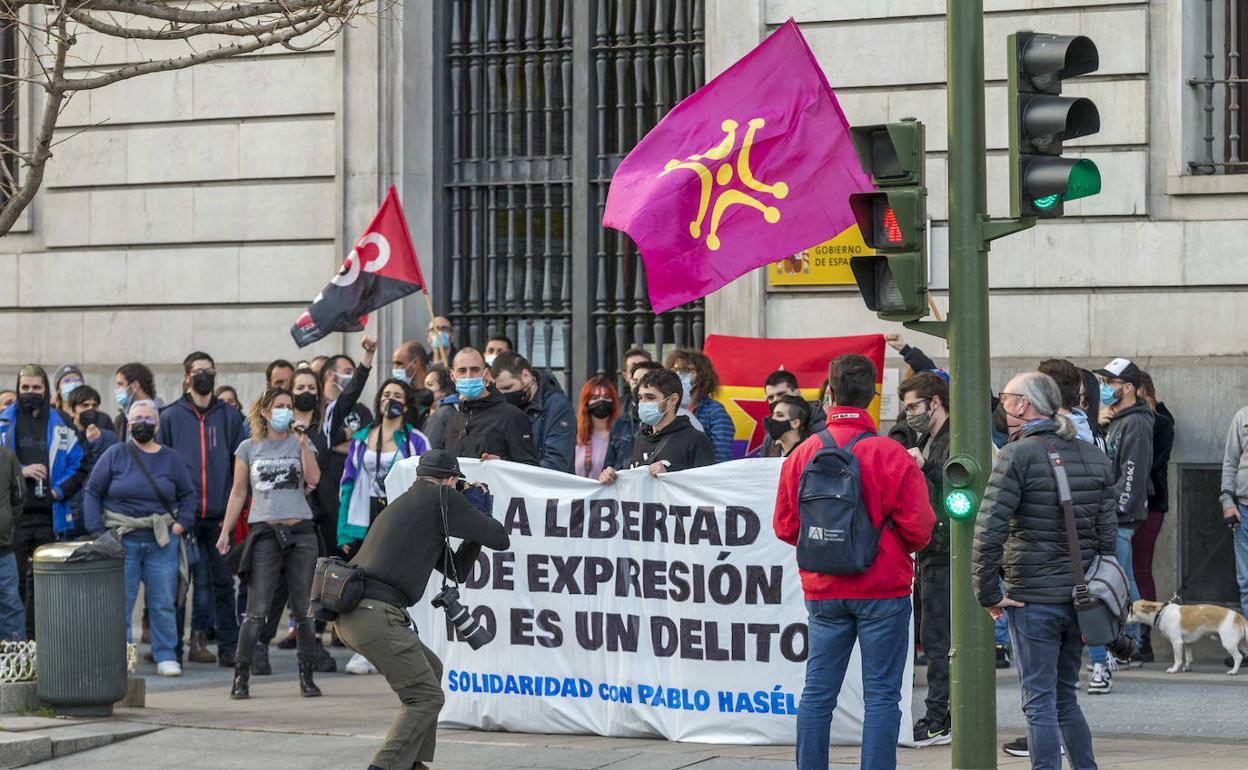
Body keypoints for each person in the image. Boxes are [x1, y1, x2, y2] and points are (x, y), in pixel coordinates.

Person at [773, 354, 934, 770]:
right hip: (884, 590)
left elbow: (786, 526)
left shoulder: (802, 453)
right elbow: (919, 529)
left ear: (829, 394)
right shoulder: (892, 453)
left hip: (824, 591)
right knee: (881, 696)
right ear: (872, 398)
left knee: (817, 693)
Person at [974, 371, 1116, 770]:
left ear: (1025, 404)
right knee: (1064, 696)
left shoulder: (1017, 455)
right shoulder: (1094, 456)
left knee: (1039, 703)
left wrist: (987, 591)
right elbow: (1107, 542)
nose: (1002, 404)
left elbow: (989, 528)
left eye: (1006, 397)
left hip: (1032, 596)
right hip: (1081, 597)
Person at [333, 450, 509, 770]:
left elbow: (458, 572)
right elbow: (500, 537)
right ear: (453, 481)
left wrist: (474, 524)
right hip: (375, 613)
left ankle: (414, 763)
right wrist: (477, 506)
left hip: (355, 614)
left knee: (432, 670)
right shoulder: (441, 497)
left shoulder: (412, 503)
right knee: (426, 697)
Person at [216, 387, 322, 700]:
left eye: (289, 406)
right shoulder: (248, 448)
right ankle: (241, 675)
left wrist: (303, 444)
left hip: (301, 530)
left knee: (305, 609)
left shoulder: (301, 441)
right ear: (264, 412)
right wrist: (226, 531)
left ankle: (307, 676)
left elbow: (314, 478)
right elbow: (238, 493)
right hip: (265, 531)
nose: (285, 411)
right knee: (256, 609)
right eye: (279, 406)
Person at [85, 400, 197, 677]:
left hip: (162, 539)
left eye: (148, 418)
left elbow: (188, 494)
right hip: (122, 539)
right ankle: (120, 655)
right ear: (129, 423)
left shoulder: (171, 458)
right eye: (137, 419)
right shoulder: (115, 453)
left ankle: (166, 654)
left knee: (163, 602)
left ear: (157, 425)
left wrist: (182, 524)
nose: (143, 423)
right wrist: (99, 532)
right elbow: (92, 491)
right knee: (120, 602)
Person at [336, 379, 431, 675]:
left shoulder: (415, 439)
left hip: (401, 519)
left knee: (398, 584)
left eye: (397, 395)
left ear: (406, 403)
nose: (390, 399)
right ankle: (366, 651)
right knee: (364, 585)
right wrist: (345, 530)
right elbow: (348, 484)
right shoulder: (362, 438)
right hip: (368, 517)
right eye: (386, 394)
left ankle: (407, 646)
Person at [160, 352, 246, 668]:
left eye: (209, 370)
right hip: (183, 516)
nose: (204, 375)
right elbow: (161, 465)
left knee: (223, 583)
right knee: (180, 585)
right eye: (198, 371)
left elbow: (241, 465)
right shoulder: (169, 417)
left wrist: (231, 514)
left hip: (219, 517)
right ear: (186, 375)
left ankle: (228, 648)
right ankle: (173, 650)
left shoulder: (230, 418)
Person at [0, 365, 85, 639]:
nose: (30, 393)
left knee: (45, 585)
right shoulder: (4, 422)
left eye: (36, 388)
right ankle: (16, 644)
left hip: (51, 514)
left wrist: (58, 491)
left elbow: (79, 463)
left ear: (46, 389)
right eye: (25, 388)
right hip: (15, 519)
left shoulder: (61, 421)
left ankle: (41, 641)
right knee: (13, 589)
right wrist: (21, 470)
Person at [1085, 357, 1153, 689]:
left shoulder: (1136, 424)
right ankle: (1129, 643)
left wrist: (1117, 512)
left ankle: (1129, 644)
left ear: (1127, 388)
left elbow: (1132, 475)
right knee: (1121, 578)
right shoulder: (1120, 420)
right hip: (1115, 514)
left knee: (1120, 582)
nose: (1105, 388)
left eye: (1111, 383)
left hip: (1121, 517)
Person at [894, 371, 953, 747]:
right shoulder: (926, 439)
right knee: (933, 639)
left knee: (939, 639)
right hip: (930, 550)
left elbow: (953, 495)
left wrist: (923, 469)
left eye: (913, 406)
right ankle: (940, 714)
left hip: (947, 552)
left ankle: (938, 718)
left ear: (934, 401)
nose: (908, 413)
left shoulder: (952, 442)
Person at [599, 368, 715, 483]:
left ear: (672, 400)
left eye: (650, 397)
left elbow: (706, 489)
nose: (642, 403)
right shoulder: (639, 437)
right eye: (640, 397)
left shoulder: (696, 440)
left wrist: (669, 478)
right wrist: (612, 477)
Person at [1131, 371, 1173, 663]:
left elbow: (1149, 462)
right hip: (1131, 503)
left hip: (1149, 502)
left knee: (1140, 568)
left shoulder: (1160, 421)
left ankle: (1144, 638)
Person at [442, 348, 539, 465]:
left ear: (486, 374)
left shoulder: (512, 416)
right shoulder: (453, 421)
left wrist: (501, 464)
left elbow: (530, 469)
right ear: (453, 376)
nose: (468, 376)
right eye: (462, 371)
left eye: (475, 370)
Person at [490, 352, 575, 472]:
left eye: (508, 388)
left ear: (526, 375)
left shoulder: (558, 406)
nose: (504, 395)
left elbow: (556, 464)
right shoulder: (507, 408)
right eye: (500, 391)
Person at [65, 386, 118, 539]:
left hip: (98, 519)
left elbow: (104, 473)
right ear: (72, 411)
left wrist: (97, 442)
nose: (91, 409)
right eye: (85, 405)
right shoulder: (65, 439)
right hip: (70, 518)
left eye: (94, 406)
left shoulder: (108, 438)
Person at [665, 349, 733, 463]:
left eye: (686, 370)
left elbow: (721, 455)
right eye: (675, 370)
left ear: (702, 375)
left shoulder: (715, 411)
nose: (679, 375)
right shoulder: (668, 407)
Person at [1219, 393, 1248, 622]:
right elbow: (1230, 461)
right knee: (1246, 581)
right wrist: (1228, 502)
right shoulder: (1242, 417)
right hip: (1244, 510)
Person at [605, 359, 658, 471]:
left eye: (644, 381)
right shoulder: (621, 422)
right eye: (635, 381)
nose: (638, 386)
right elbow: (609, 465)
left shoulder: (663, 422)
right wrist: (608, 473)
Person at [760, 370, 827, 458]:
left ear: (797, 393)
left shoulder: (822, 429)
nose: (776, 400)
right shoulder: (771, 436)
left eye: (781, 394)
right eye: (770, 397)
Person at [0, 445, 24, 640]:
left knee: (11, 606)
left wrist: (7, 522)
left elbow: (19, 495)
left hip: (3, 546)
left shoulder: (7, 456)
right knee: (10, 604)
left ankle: (14, 662)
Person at [575, 376, 619, 479]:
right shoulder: (576, 436)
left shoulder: (620, 437)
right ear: (586, 403)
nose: (601, 401)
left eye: (606, 396)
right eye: (595, 398)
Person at [113, 363, 159, 442]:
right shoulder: (122, 418)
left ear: (134, 385)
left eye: (121, 384)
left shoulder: (163, 414)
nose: (118, 389)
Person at [421, 365, 458, 450]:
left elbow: (429, 450)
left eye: (430, 385)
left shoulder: (440, 416)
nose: (425, 390)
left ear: (444, 390)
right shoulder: (428, 413)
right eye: (424, 386)